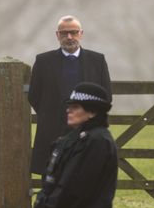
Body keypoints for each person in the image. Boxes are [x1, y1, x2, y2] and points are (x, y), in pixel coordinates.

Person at [29, 16, 111, 175]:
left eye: (73, 32)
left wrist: (88, 117)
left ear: (81, 33)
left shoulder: (97, 60)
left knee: (86, 179)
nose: (69, 37)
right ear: (57, 35)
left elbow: (106, 95)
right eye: (64, 33)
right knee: (51, 180)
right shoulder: (43, 61)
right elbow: (34, 95)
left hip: (87, 133)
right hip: (52, 132)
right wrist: (51, 115)